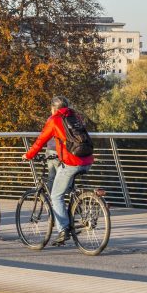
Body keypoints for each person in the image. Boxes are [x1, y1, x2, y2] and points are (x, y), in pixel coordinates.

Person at [23, 96, 94, 245]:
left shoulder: (54, 120)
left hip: (71, 161)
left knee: (56, 195)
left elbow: (41, 140)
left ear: (53, 108)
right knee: (66, 189)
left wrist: (29, 155)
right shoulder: (76, 116)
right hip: (87, 159)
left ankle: (63, 230)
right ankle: (73, 215)